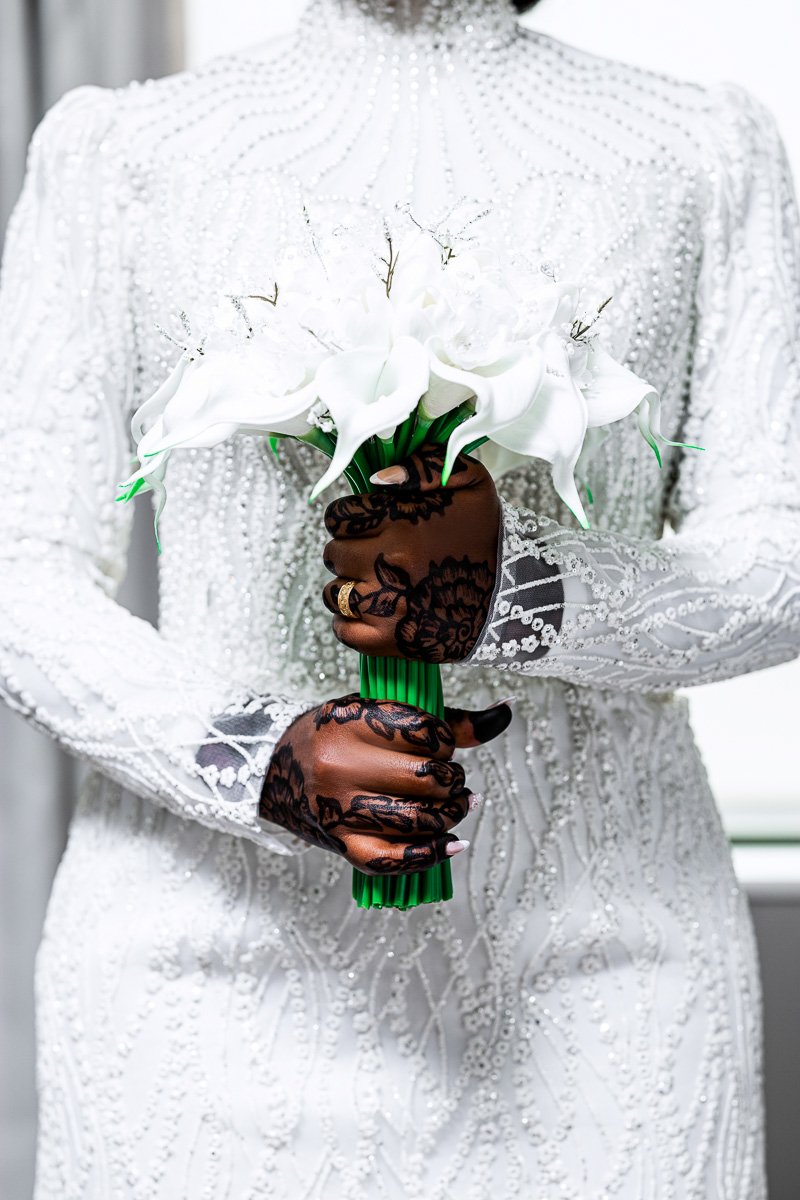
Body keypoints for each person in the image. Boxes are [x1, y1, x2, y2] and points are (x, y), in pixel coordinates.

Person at [2, 0, 798, 1195]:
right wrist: (250, 755)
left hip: (604, 976)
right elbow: (19, 569)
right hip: (203, 976)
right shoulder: (121, 151)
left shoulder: (703, 147)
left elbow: (777, 558)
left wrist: (517, 595)